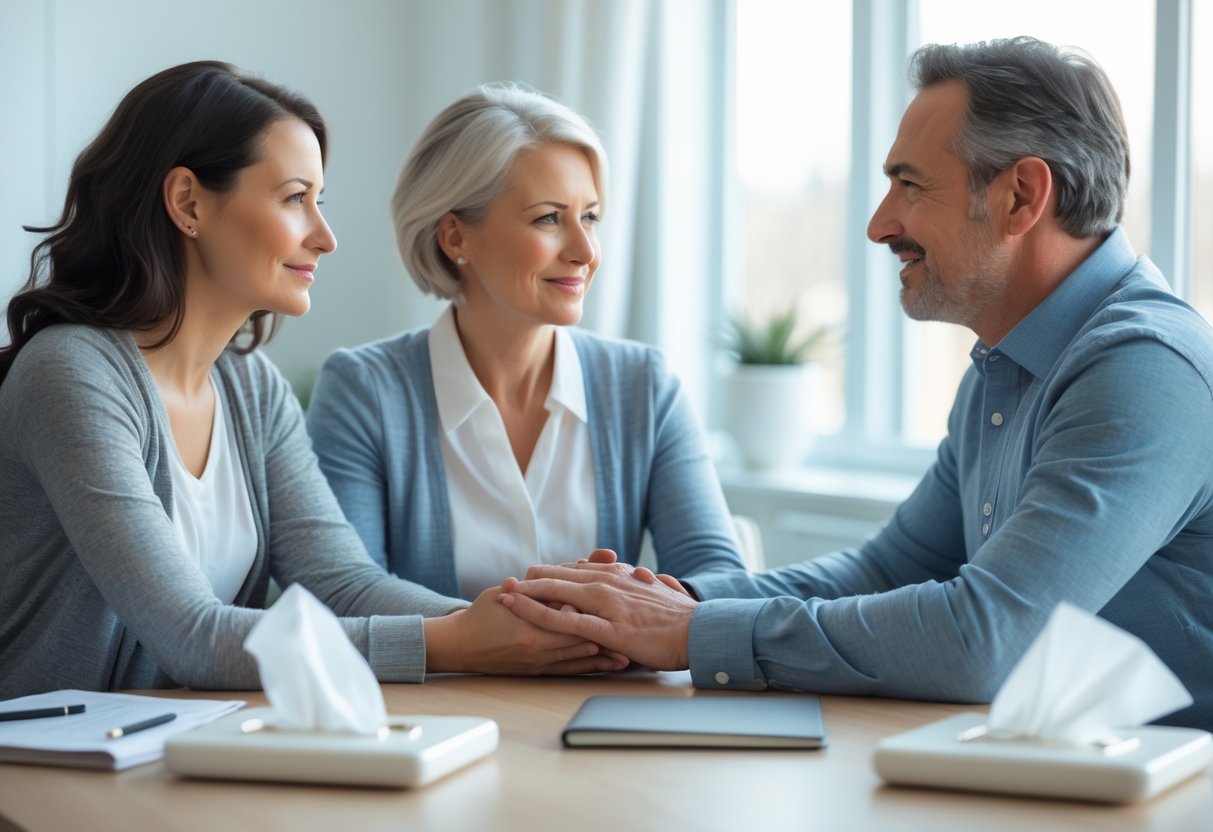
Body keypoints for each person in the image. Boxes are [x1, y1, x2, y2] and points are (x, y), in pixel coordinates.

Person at [496, 37, 1213, 730]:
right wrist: (664, 601)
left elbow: (983, 639)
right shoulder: (1005, 370)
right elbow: (887, 570)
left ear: (1021, 196)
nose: (878, 225)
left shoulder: (1143, 367)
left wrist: (690, 632)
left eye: (908, 184)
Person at [0, 61, 627, 699]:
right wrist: (460, 640)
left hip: (176, 757)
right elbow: (190, 636)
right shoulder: (72, 373)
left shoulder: (251, 388)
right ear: (188, 202)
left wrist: (529, 623)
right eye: (295, 199)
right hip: (44, 773)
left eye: (317, 202)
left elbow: (345, 583)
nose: (325, 237)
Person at [305, 83, 745, 601]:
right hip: (448, 688)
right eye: (548, 219)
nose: (585, 250)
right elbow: (344, 595)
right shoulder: (364, 392)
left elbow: (722, 578)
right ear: (455, 238)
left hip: (608, 685)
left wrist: (637, 618)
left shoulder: (643, 385)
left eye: (590, 217)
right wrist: (518, 634)